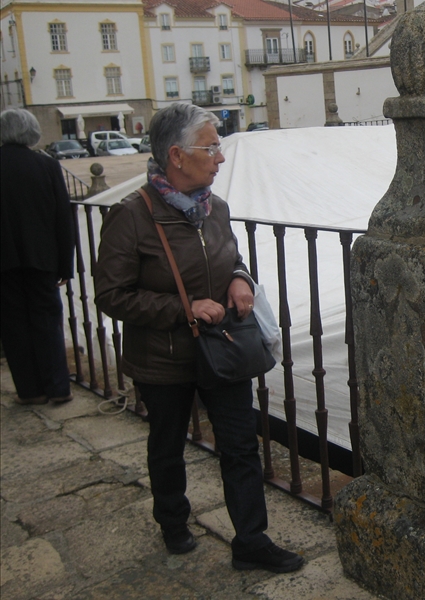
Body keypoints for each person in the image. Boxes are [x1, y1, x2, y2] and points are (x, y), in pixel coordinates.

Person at [93, 103, 304, 572]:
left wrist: (240, 280)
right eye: (210, 148)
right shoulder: (132, 216)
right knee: (168, 445)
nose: (220, 158)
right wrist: (182, 308)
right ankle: (172, 521)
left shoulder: (216, 208)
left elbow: (231, 259)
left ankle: (251, 541)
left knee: (241, 445)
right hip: (163, 358)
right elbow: (111, 295)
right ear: (176, 156)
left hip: (223, 350)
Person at [0, 108, 75, 405]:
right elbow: (62, 218)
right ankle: (58, 387)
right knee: (47, 321)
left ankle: (30, 391)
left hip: (4, 259)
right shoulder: (47, 165)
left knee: (13, 324)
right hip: (42, 257)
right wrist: (65, 265)